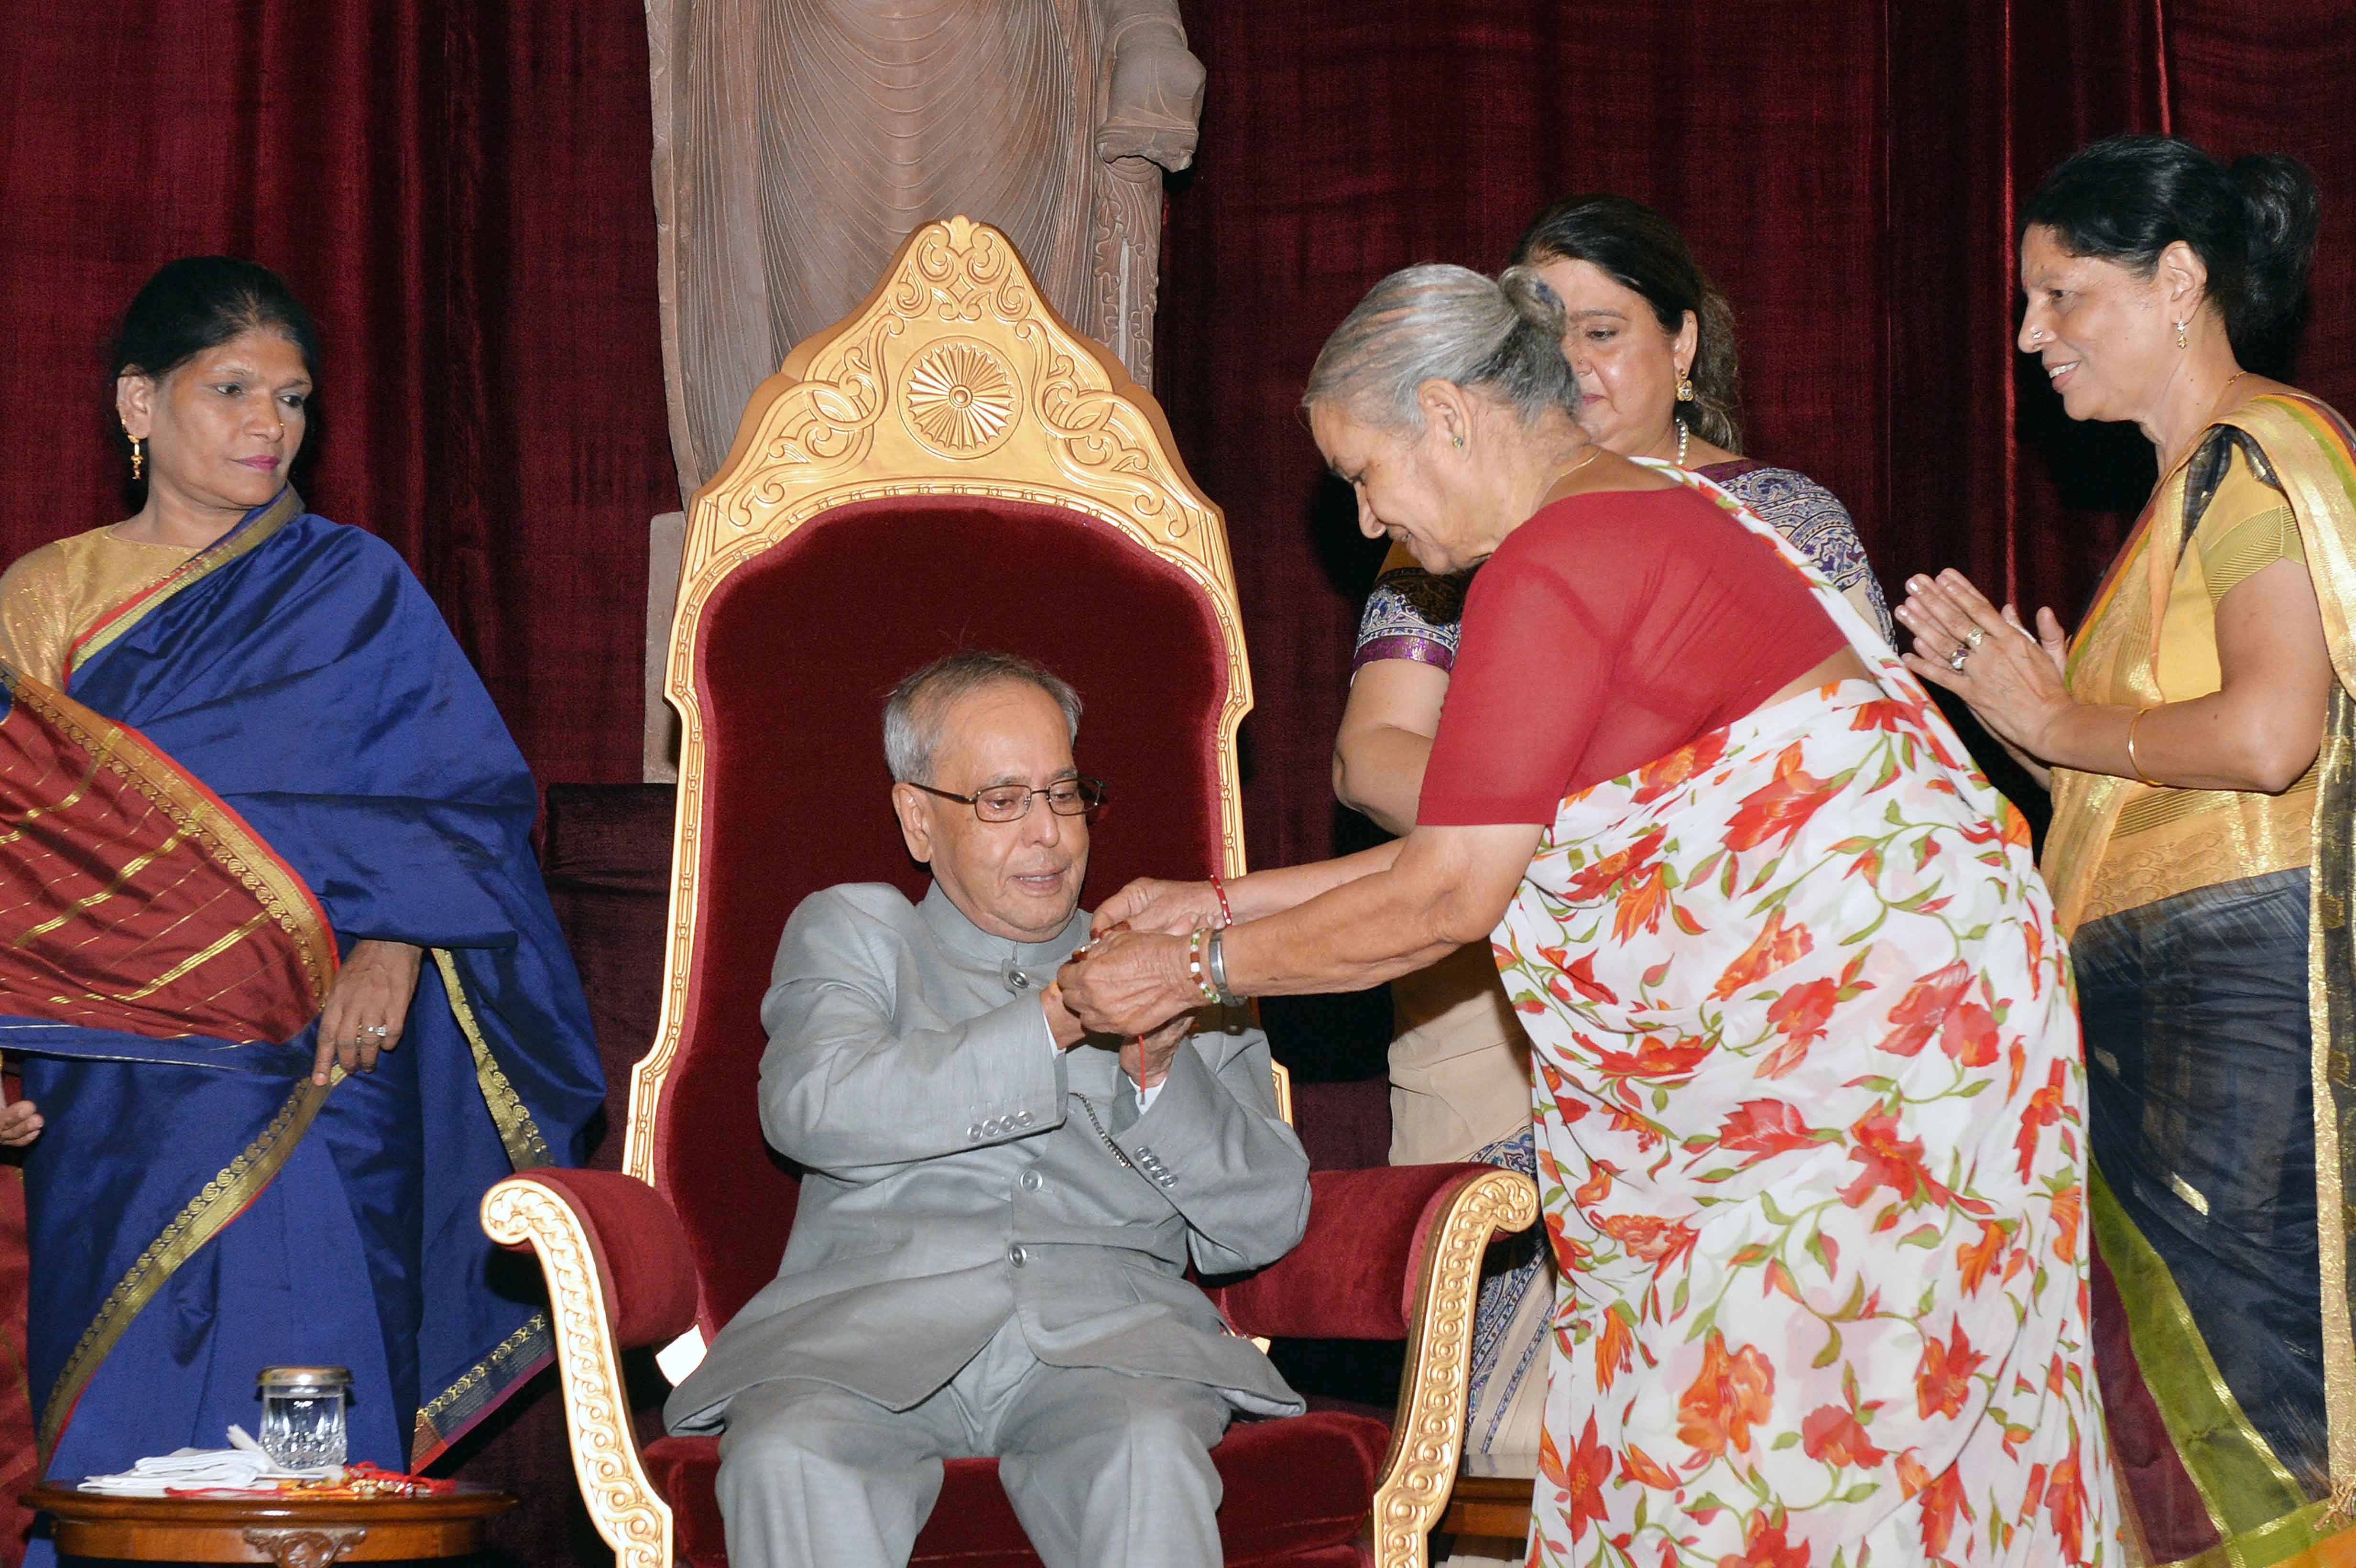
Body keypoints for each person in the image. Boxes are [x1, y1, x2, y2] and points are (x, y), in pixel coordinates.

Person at [1060, 263, 2110, 1561]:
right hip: (1918, 1052)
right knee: (1857, 1451)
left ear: (1448, 413)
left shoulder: (1557, 561)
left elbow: (1444, 897)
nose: (1364, 513)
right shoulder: (1635, 512)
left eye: (1362, 470)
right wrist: (1217, 900)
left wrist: (1195, 969)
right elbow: (1522, 836)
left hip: (1855, 1079)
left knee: (1782, 1454)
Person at [0, 258, 604, 1496]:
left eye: (293, 399)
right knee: (126, 1452)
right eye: (231, 390)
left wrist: (392, 941)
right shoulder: (43, 602)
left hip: (323, 1079)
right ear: (137, 404)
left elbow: (464, 804)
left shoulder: (354, 591)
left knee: (307, 1446)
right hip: (109, 1103)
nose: (268, 427)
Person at [1332, 193, 1898, 1470]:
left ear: (1685, 345)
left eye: (1604, 330)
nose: (1574, 365)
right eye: (1543, 329)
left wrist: (1597, 838)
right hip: (1486, 985)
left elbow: (1848, 783)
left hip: (1742, 998)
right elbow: (1372, 758)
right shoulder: (1449, 530)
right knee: (1476, 1424)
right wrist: (1578, 836)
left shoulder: (1776, 515)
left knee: (1741, 1413)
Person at [1895, 134, 2351, 1558]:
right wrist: (2027, 722)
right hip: (2170, 1002)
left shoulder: (2259, 455)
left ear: (2177, 282)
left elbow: (2274, 739)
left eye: (2062, 296)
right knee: (2170, 1428)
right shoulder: (2187, 492)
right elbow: (2157, 798)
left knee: (2263, 1419)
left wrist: (2064, 719)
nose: (2033, 337)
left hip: (2245, 1007)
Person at [663, 651, 1309, 1568]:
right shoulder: (856, 931)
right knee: (792, 1456)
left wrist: (1163, 1076)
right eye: (1003, 801)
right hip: (862, 1345)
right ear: (918, 818)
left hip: (1110, 1344)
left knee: (1144, 1452)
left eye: (1065, 792)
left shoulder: (1175, 960)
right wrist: (1053, 1018)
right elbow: (814, 1108)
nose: (1048, 834)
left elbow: (1263, 1220)